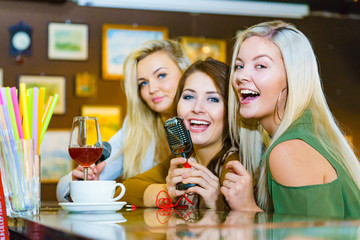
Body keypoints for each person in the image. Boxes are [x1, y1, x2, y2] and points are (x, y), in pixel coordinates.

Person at [221, 20, 360, 218]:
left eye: (260, 65)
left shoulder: (288, 150)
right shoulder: (307, 134)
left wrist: (248, 210)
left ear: (292, 78)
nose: (242, 75)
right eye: (239, 65)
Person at [57, 39, 190, 202]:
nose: (152, 89)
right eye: (143, 83)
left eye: (161, 75)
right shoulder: (135, 129)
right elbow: (63, 189)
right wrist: (82, 183)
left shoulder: (203, 123)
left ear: (185, 73)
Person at [121, 58, 238, 209]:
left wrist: (217, 204)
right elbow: (126, 190)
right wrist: (168, 193)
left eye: (213, 99)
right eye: (189, 97)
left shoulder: (235, 165)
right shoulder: (184, 158)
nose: (197, 108)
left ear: (231, 111)